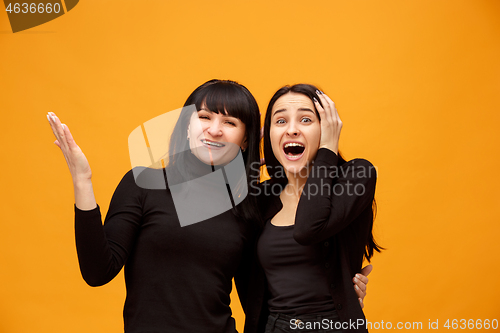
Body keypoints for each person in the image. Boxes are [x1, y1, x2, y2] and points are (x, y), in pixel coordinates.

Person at [46, 79, 371, 333]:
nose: (214, 129)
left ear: (245, 138)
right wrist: (83, 182)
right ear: (187, 125)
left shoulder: (251, 202)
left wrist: (344, 288)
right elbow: (98, 270)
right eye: (203, 117)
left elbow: (270, 281)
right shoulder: (143, 183)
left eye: (230, 122)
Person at [245, 84, 382, 333]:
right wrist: (241, 167)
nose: (292, 129)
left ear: (326, 128)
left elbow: (308, 228)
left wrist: (327, 149)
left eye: (306, 119)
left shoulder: (357, 176)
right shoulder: (262, 196)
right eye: (281, 121)